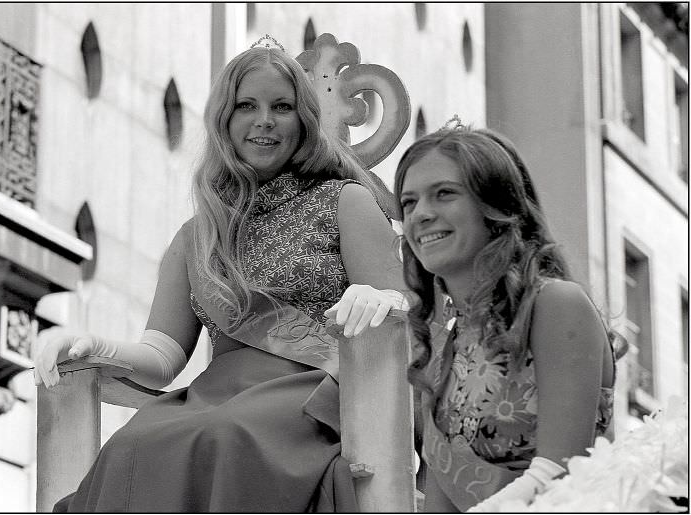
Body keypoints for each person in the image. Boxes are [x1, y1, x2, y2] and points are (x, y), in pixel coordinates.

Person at [34, 39, 408, 512]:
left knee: (223, 436)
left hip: (309, 393)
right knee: (131, 446)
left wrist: (380, 301)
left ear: (305, 120)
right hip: (213, 395)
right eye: (246, 106)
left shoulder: (345, 200)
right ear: (224, 121)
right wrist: (94, 347)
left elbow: (401, 319)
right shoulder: (198, 233)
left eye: (282, 107)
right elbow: (163, 354)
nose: (264, 120)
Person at [395, 121, 616, 512]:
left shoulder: (555, 304)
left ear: (496, 208)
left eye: (444, 194)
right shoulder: (446, 346)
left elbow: (558, 472)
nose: (421, 215)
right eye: (409, 202)